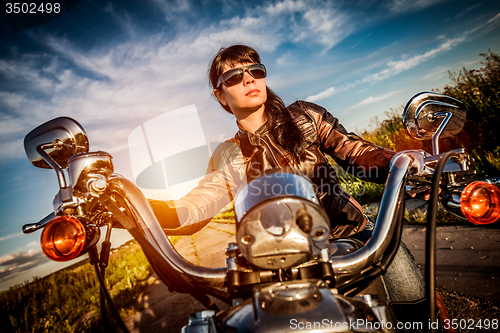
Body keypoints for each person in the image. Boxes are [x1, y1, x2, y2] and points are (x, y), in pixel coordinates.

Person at [149, 44, 395, 237]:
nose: (248, 79)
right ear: (221, 96)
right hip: (285, 261)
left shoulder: (306, 115)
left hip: (350, 234)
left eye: (255, 71)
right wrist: (141, 211)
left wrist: (399, 163)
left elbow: (355, 152)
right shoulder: (229, 153)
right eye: (234, 76)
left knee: (411, 290)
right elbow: (196, 206)